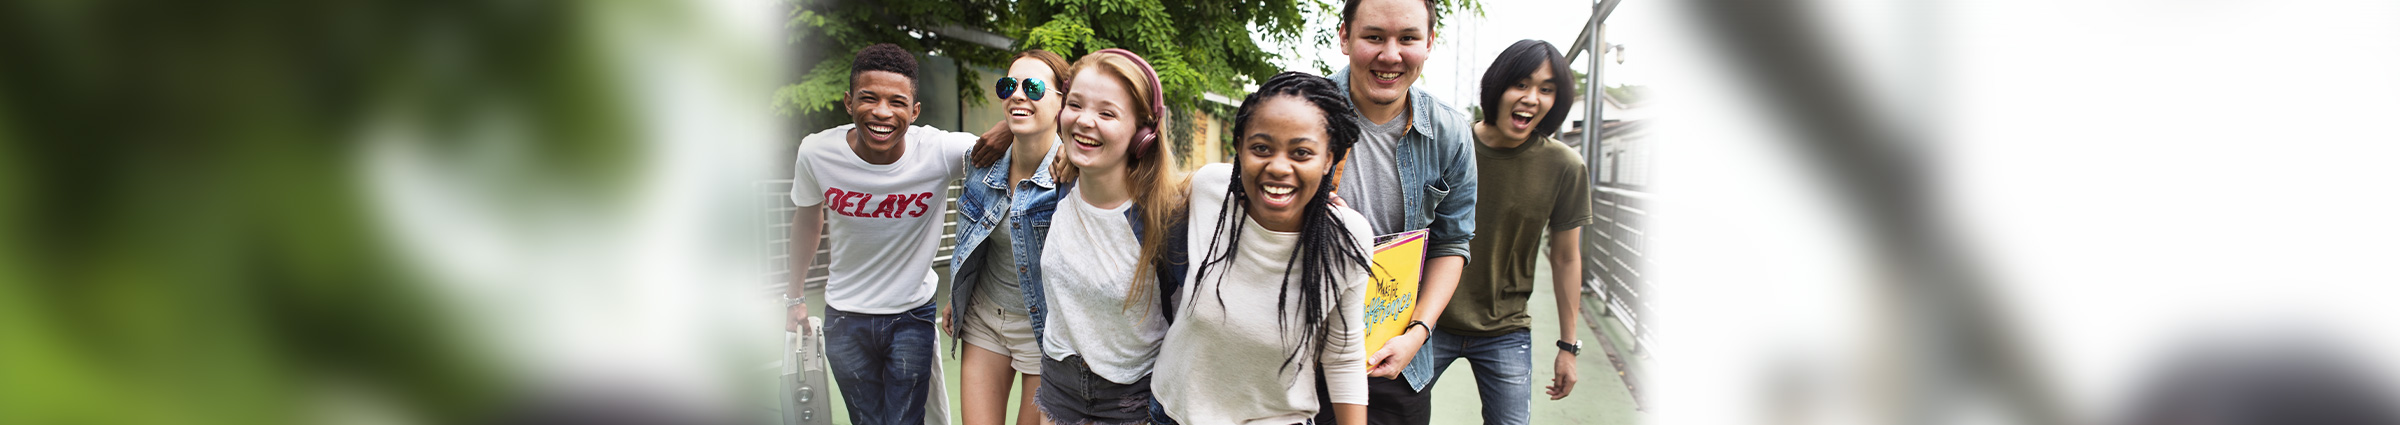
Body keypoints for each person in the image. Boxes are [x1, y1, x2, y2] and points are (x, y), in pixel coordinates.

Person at [783, 43, 1004, 425]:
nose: (882, 112)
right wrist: (795, 297)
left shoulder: (938, 151)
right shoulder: (816, 153)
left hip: (911, 316)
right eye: (869, 98)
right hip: (844, 317)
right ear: (849, 102)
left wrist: (1008, 128)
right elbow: (807, 219)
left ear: (914, 111)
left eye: (897, 102)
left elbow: (1023, 138)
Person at [1155, 72, 1375, 425]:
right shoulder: (1210, 189)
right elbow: (1138, 189)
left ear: (1328, 158)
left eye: (1302, 153)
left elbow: (1344, 356)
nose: (1278, 167)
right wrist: (1068, 158)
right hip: (1171, 413)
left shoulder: (1346, 238)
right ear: (1239, 146)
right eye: (1261, 148)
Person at [1321, 0, 1479, 423]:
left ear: (1428, 44)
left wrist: (1418, 333)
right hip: (1302, 350)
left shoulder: (1450, 134)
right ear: (1344, 38)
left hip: (1396, 358)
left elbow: (1452, 243)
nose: (1390, 55)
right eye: (1374, 36)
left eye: (1407, 38)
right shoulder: (1300, 113)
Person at [1421, 39, 1592, 425]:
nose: (1532, 98)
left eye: (1546, 89)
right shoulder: (1450, 146)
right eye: (1521, 84)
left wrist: (1568, 346)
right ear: (1497, 88)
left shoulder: (1564, 166)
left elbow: (1566, 257)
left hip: (1505, 328)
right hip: (1428, 320)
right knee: (1393, 416)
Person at [1034, 48, 1187, 425]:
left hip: (1132, 401)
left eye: (1106, 113)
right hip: (1058, 383)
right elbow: (1021, 117)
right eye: (1076, 105)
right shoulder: (1059, 186)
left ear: (1143, 133)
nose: (1085, 121)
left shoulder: (1167, 216)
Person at [947, 49, 1075, 425]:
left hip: (1044, 329)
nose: (1018, 95)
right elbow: (970, 237)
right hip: (984, 318)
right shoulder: (981, 161)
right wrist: (960, 290)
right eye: (1009, 86)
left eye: (1033, 88)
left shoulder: (1075, 175)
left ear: (1062, 102)